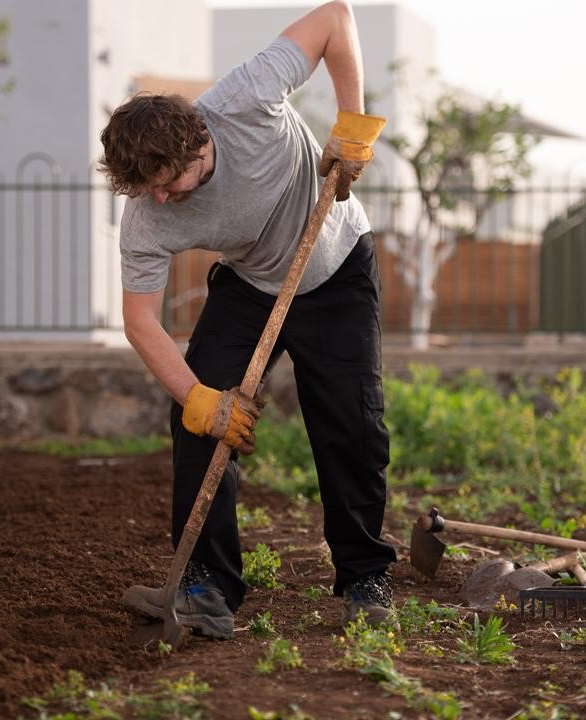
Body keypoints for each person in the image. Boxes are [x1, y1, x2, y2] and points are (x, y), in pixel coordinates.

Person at [98, 0, 396, 640]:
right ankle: (208, 584)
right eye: (143, 187)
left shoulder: (243, 98)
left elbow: (335, 18)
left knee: (351, 421)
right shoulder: (146, 214)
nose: (158, 197)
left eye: (167, 180)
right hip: (251, 282)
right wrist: (199, 399)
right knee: (196, 418)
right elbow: (141, 322)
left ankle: (365, 574)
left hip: (336, 263)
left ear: (198, 139)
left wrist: (353, 127)